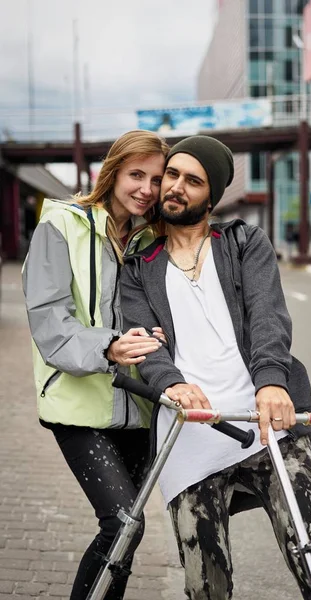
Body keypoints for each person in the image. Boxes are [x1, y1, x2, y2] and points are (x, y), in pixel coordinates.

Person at [119, 135, 311, 600]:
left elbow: (269, 316)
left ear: (213, 195)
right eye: (172, 175)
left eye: (193, 180)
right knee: (207, 585)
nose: (175, 187)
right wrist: (173, 384)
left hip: (271, 427)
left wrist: (271, 382)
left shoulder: (244, 242)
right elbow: (144, 344)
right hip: (189, 439)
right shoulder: (139, 266)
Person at [22, 130, 170, 600]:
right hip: (77, 404)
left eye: (157, 179)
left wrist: (159, 334)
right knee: (123, 523)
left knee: (127, 535)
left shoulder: (154, 237)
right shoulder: (61, 224)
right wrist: (109, 346)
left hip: (139, 407)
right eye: (136, 174)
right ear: (113, 173)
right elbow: (48, 316)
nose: (146, 188)